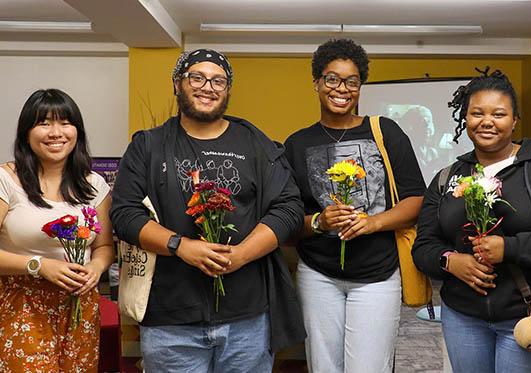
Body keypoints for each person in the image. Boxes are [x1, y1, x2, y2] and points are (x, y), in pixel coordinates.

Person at [110, 48, 305, 372]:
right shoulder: (148, 145)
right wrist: (181, 246)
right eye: (197, 77)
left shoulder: (255, 143)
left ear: (227, 90)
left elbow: (288, 207)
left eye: (218, 80)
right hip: (170, 320)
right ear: (177, 84)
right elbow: (125, 214)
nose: (208, 86)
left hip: (249, 319)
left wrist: (242, 254)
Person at [284, 39, 426, 373]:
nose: (341, 89)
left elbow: (416, 200)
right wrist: (319, 222)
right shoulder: (296, 143)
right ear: (317, 82)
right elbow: (289, 220)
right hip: (318, 275)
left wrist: (373, 223)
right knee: (323, 368)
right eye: (332, 79)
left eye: (352, 81)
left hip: (377, 275)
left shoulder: (385, 132)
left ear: (360, 87)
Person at [412, 70, 531, 372]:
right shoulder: (446, 178)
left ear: (515, 120)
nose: (487, 121)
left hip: (528, 316)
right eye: (477, 113)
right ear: (465, 118)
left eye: (499, 113)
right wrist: (449, 261)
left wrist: (509, 248)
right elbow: (423, 246)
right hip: (462, 319)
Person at [0, 89, 114, 371]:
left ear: (77, 131)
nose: (56, 132)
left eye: (65, 123)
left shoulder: (94, 185)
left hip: (80, 305)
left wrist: (96, 269)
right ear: (27, 132)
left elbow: (104, 247)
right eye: (44, 123)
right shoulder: (6, 179)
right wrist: (38, 265)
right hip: (21, 302)